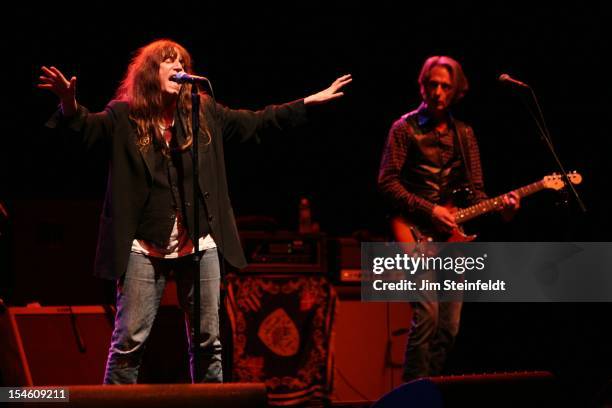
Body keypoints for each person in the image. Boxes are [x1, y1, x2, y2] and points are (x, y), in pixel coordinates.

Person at [38, 39, 351, 384]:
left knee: (208, 343)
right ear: (148, 72)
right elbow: (86, 128)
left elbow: (258, 121)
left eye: (181, 62)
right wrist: (69, 103)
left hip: (199, 244)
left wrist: (307, 102)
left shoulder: (204, 113)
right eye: (167, 62)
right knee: (129, 342)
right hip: (144, 245)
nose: (177, 67)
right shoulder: (124, 115)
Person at [377, 56, 519, 381]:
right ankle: (410, 398)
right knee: (426, 315)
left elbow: (478, 194)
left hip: (451, 240)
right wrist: (430, 210)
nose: (438, 91)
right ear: (423, 86)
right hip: (411, 231)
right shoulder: (403, 129)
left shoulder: (465, 134)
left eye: (445, 86)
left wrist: (504, 209)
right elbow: (386, 183)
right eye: (433, 84)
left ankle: (431, 390)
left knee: (449, 328)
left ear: (456, 92)